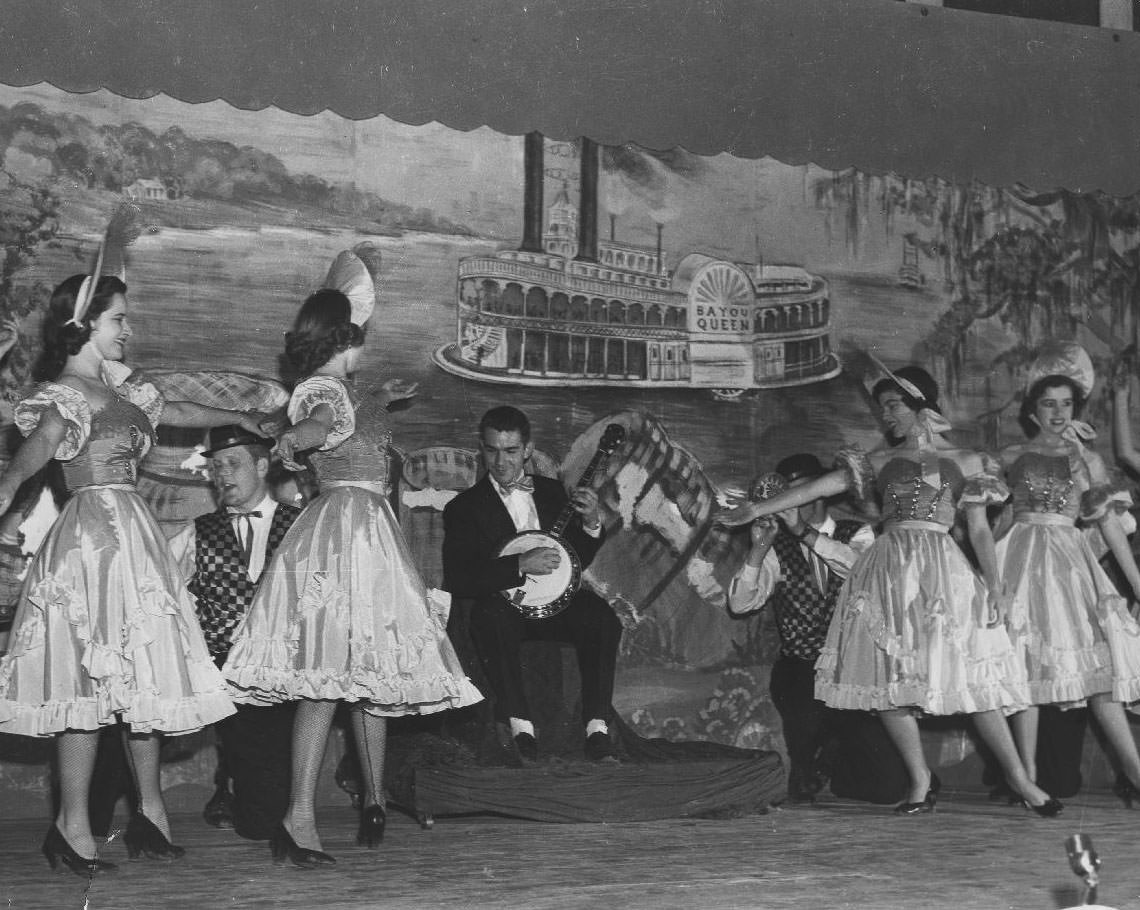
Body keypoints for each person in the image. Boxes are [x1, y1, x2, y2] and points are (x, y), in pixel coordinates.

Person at [0, 273, 272, 875]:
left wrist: (242, 415)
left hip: (133, 537)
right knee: (88, 689)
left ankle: (150, 815)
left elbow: (174, 407)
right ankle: (71, 829)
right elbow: (24, 466)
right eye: (118, 319)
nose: (129, 329)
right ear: (84, 325)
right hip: (93, 542)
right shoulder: (67, 396)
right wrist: (4, 512)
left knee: (145, 674)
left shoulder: (121, 389)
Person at [715, 364, 1061, 816]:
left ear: (921, 404)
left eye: (894, 405)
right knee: (888, 676)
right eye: (882, 409)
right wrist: (757, 507)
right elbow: (817, 487)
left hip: (943, 571)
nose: (887, 416)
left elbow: (978, 531)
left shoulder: (968, 462)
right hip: (889, 570)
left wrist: (995, 585)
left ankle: (1021, 780)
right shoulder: (876, 462)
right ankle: (919, 782)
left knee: (973, 679)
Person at [224, 289, 481, 868]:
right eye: (360, 328)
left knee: (351, 679)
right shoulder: (322, 391)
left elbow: (341, 422)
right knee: (324, 681)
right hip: (347, 533)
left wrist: (377, 397)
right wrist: (296, 439)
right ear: (346, 336)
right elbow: (317, 423)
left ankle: (338, 808)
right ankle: (301, 816)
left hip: (365, 532)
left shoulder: (348, 391)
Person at [996, 349, 1140, 806]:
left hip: (1069, 564)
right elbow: (996, 522)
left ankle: (1136, 774)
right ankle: (1029, 779)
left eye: (1066, 404)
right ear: (1032, 411)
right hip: (1019, 557)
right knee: (1023, 669)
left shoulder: (1088, 460)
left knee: (1099, 673)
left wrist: (1136, 582)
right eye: (1048, 404)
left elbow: (1107, 523)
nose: (1058, 413)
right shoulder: (1010, 455)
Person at [442, 405, 623, 764]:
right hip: (505, 605)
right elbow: (459, 577)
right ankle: (520, 727)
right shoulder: (464, 507)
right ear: (482, 447)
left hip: (556, 604)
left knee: (602, 618)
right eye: (492, 450)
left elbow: (574, 559)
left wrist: (590, 523)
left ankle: (597, 729)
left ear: (527, 449)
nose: (501, 461)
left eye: (510, 451)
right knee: (489, 617)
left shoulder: (554, 492)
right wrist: (518, 565)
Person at [727, 454, 908, 804]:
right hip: (802, 672)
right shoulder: (777, 548)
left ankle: (835, 756)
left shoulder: (857, 533)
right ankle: (809, 757)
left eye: (798, 494)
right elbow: (740, 603)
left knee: (889, 788)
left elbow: (858, 572)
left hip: (850, 672)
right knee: (804, 773)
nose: (788, 506)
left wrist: (804, 534)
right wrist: (758, 550)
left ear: (820, 492)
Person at [166, 425, 303, 838]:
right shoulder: (199, 532)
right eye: (216, 467)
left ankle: (232, 784)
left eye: (232, 464)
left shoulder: (304, 526)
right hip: (225, 673)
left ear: (262, 465)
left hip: (287, 673)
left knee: (271, 795)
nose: (222, 475)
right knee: (259, 822)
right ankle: (231, 783)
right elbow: (161, 583)